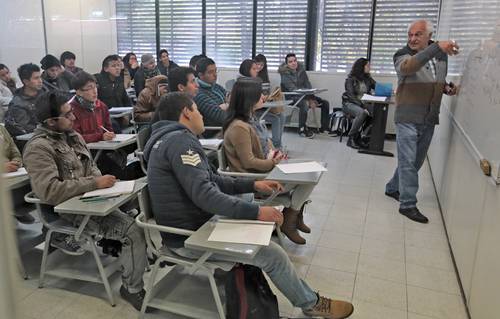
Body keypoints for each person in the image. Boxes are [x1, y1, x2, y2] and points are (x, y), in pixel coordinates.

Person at [143, 92, 354, 319]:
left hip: (192, 226)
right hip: (187, 238)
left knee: (247, 203)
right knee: (272, 254)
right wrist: (257, 212)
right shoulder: (180, 142)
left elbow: (214, 180)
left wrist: (254, 185)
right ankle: (311, 303)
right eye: (197, 109)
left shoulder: (168, 139)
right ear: (186, 112)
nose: (201, 114)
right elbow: (206, 195)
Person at [23, 91, 147, 310]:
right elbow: (50, 191)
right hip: (66, 210)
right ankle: (132, 288)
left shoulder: (72, 136)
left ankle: (126, 254)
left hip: (90, 199)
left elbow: (92, 169)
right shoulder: (38, 148)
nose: (73, 118)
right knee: (133, 230)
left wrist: (106, 185)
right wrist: (94, 185)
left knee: (140, 204)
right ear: (52, 122)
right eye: (67, 114)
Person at [223, 78, 315, 244]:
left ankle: (294, 214)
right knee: (310, 179)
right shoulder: (239, 127)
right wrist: (274, 162)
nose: (264, 97)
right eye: (260, 95)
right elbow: (249, 162)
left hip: (266, 170)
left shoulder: (252, 120)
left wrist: (276, 154)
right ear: (249, 99)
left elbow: (266, 144)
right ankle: (291, 217)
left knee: (312, 175)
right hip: (256, 179)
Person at [385, 20, 459, 223]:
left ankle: (392, 188)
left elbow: (435, 79)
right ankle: (407, 204)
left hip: (428, 118)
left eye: (418, 35)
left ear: (429, 35)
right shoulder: (402, 55)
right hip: (407, 117)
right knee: (408, 162)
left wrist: (446, 87)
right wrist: (436, 47)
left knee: (415, 162)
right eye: (410, 34)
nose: (412, 39)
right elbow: (409, 68)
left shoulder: (441, 55)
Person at [71, 71, 143, 181]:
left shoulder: (101, 106)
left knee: (137, 143)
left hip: (104, 148)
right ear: (79, 92)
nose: (94, 91)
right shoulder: (71, 110)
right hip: (86, 153)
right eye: (89, 88)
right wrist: (100, 136)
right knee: (116, 169)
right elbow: (76, 138)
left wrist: (109, 134)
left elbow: (108, 128)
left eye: (95, 86)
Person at [279, 53, 331, 138]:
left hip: (305, 96)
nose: (293, 63)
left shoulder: (302, 72)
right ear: (287, 64)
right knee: (304, 103)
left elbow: (308, 86)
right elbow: (293, 89)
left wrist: (312, 99)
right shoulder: (284, 75)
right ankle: (302, 129)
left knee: (325, 103)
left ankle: (324, 128)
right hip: (292, 98)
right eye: (290, 62)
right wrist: (308, 100)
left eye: (295, 60)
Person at [240, 59, 286, 149]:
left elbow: (257, 97)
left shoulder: (253, 81)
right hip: (249, 112)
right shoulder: (244, 83)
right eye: (254, 69)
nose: (257, 70)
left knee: (282, 116)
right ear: (247, 70)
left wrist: (265, 97)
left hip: (257, 109)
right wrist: (262, 98)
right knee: (276, 119)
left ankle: (278, 144)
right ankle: (276, 146)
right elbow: (251, 101)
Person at [1, 124, 35, 224]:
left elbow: (14, 151)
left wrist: (16, 162)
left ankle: (16, 207)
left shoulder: (1, 128)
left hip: (12, 172)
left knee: (36, 180)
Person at [341, 58, 376, 149]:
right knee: (362, 113)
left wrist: (390, 90)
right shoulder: (350, 79)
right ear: (361, 67)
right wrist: (363, 106)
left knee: (377, 112)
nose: (369, 67)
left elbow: (377, 86)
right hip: (350, 104)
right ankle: (351, 138)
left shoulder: (368, 78)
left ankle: (363, 137)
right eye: (367, 65)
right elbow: (351, 96)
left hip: (363, 104)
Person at [4, 63, 44, 137]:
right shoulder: (18, 104)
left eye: (40, 77)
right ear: (26, 81)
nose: (40, 81)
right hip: (33, 139)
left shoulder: (44, 92)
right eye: (36, 78)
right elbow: (26, 129)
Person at [193, 58, 228, 129]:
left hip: (225, 127)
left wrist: (226, 106)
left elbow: (232, 97)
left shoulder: (215, 86)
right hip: (215, 131)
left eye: (215, 71)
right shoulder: (198, 93)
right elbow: (221, 116)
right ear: (201, 75)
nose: (215, 75)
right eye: (211, 72)